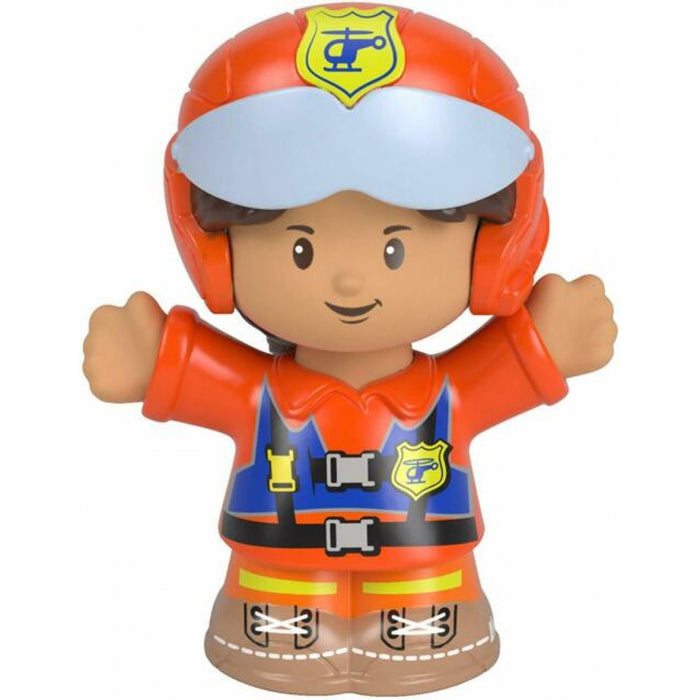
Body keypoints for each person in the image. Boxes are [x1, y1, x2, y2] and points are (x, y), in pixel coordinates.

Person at [82, 4, 617, 694]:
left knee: (425, 613)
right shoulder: (263, 393)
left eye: (395, 247)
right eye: (300, 248)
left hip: (426, 570)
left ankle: (417, 619)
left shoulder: (445, 392)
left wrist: (551, 340)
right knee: (276, 608)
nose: (350, 282)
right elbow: (184, 371)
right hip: (277, 565)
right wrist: (149, 358)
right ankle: (286, 618)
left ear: (492, 251)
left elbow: (515, 363)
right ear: (215, 250)